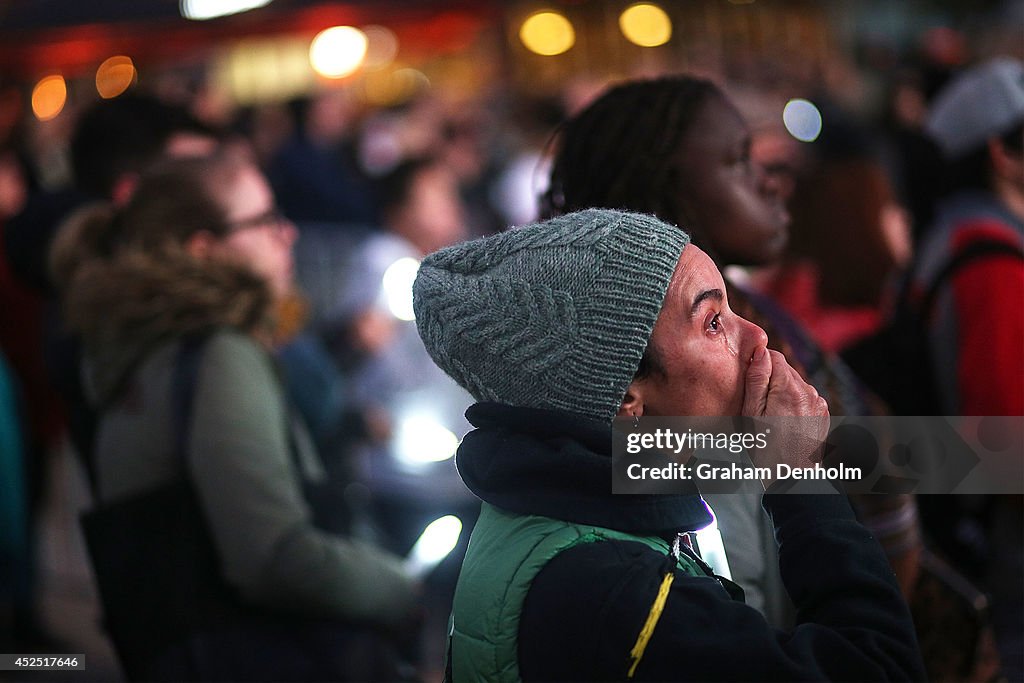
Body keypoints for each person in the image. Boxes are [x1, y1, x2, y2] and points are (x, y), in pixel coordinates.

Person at [412, 208, 925, 682]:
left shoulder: (566, 516)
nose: (757, 339)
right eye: (713, 322)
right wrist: (799, 473)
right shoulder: (612, 595)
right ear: (627, 398)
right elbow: (879, 669)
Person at [50, 151, 419, 681]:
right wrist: (395, 586)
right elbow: (272, 558)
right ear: (204, 250)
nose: (287, 233)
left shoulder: (143, 348)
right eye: (264, 221)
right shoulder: (218, 353)